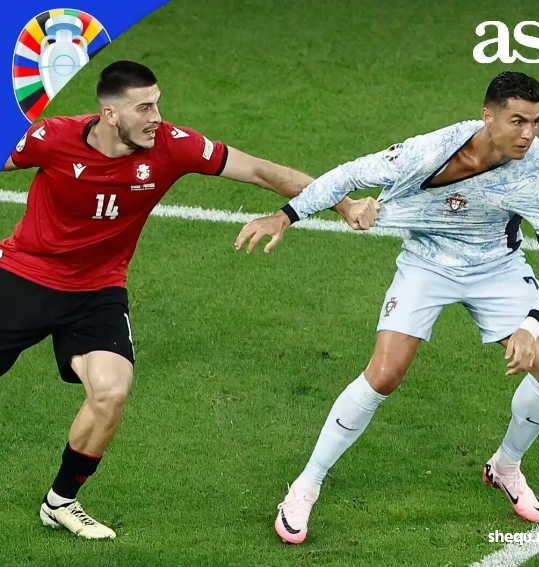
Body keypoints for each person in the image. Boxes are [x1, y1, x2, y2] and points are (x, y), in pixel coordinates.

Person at [0, 60, 378, 540]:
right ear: (110, 114)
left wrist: (343, 204)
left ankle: (60, 502)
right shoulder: (52, 137)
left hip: (97, 290)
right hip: (24, 275)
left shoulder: (172, 146)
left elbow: (261, 171)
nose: (156, 117)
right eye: (144, 108)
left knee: (112, 391)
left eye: (157, 103)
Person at [235, 71, 539, 544]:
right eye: (518, 121)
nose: (529, 134)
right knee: (385, 374)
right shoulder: (432, 150)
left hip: (496, 267)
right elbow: (349, 174)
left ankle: (506, 466)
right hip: (427, 261)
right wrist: (285, 216)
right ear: (487, 116)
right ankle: (306, 485)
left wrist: (531, 326)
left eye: (535, 122)